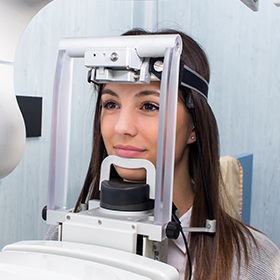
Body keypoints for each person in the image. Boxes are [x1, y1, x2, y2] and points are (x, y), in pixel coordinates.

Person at [47, 28, 280, 279]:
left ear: (194, 126)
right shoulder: (64, 235)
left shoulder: (253, 260)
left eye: (149, 106)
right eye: (111, 104)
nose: (121, 127)